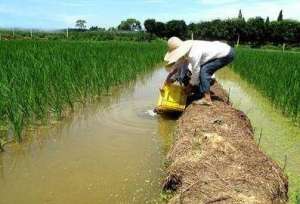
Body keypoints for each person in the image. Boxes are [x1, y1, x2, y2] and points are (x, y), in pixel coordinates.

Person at [164, 37, 235, 106]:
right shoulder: (187, 47)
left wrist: (189, 86)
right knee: (202, 70)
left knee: (205, 70)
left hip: (226, 53)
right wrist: (168, 79)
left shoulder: (193, 54)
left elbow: (196, 72)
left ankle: (207, 99)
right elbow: (178, 65)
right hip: (225, 50)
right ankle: (201, 93)